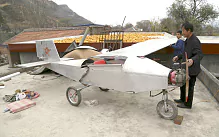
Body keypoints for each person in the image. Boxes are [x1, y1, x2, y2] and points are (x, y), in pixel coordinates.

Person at [172, 22, 203, 109]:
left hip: (192, 69)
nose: (183, 33)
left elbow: (200, 55)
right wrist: (178, 56)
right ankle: (182, 99)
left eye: (183, 31)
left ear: (189, 31)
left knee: (189, 87)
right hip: (186, 67)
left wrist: (192, 60)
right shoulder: (187, 40)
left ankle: (188, 104)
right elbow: (185, 52)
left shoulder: (195, 41)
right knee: (183, 84)